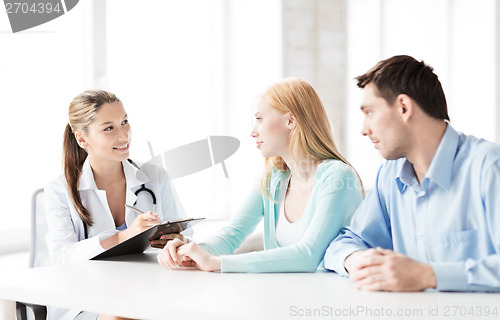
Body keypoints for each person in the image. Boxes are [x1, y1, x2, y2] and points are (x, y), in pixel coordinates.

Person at [324, 55, 500, 292]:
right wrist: (358, 261)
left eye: (370, 113)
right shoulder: (390, 175)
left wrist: (427, 275)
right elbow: (346, 242)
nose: (363, 130)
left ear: (403, 107)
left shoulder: (488, 166)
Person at [157, 78, 364, 272]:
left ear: (290, 121)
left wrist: (217, 263)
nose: (253, 132)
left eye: (259, 119)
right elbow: (232, 235)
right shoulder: (274, 177)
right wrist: (188, 251)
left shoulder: (337, 177)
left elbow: (309, 255)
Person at [44, 90, 190, 320]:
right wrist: (125, 236)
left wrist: (178, 243)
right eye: (109, 128)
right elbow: (62, 257)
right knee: (124, 315)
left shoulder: (155, 176)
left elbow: (187, 235)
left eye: (125, 122)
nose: (124, 135)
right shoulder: (59, 190)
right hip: (85, 300)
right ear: (82, 139)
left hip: (147, 291)